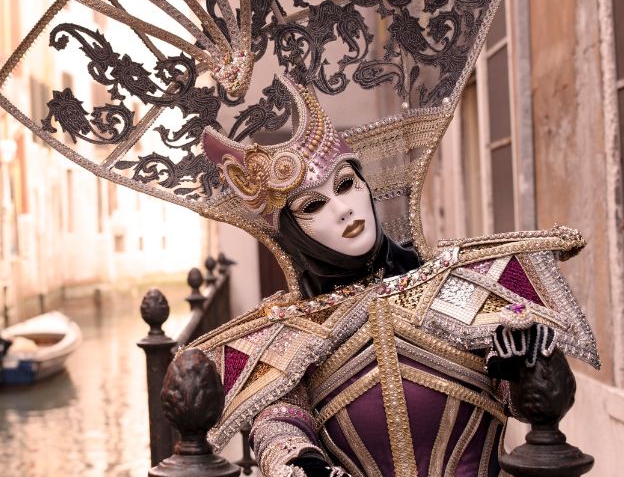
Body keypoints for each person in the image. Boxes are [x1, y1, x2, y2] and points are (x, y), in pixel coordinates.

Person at [189, 76, 599, 477]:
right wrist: (301, 462)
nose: (344, 210)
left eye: (346, 185)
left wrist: (525, 366)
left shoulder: (461, 284)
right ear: (292, 234)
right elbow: (278, 421)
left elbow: (526, 405)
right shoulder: (290, 332)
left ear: (365, 185)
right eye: (313, 206)